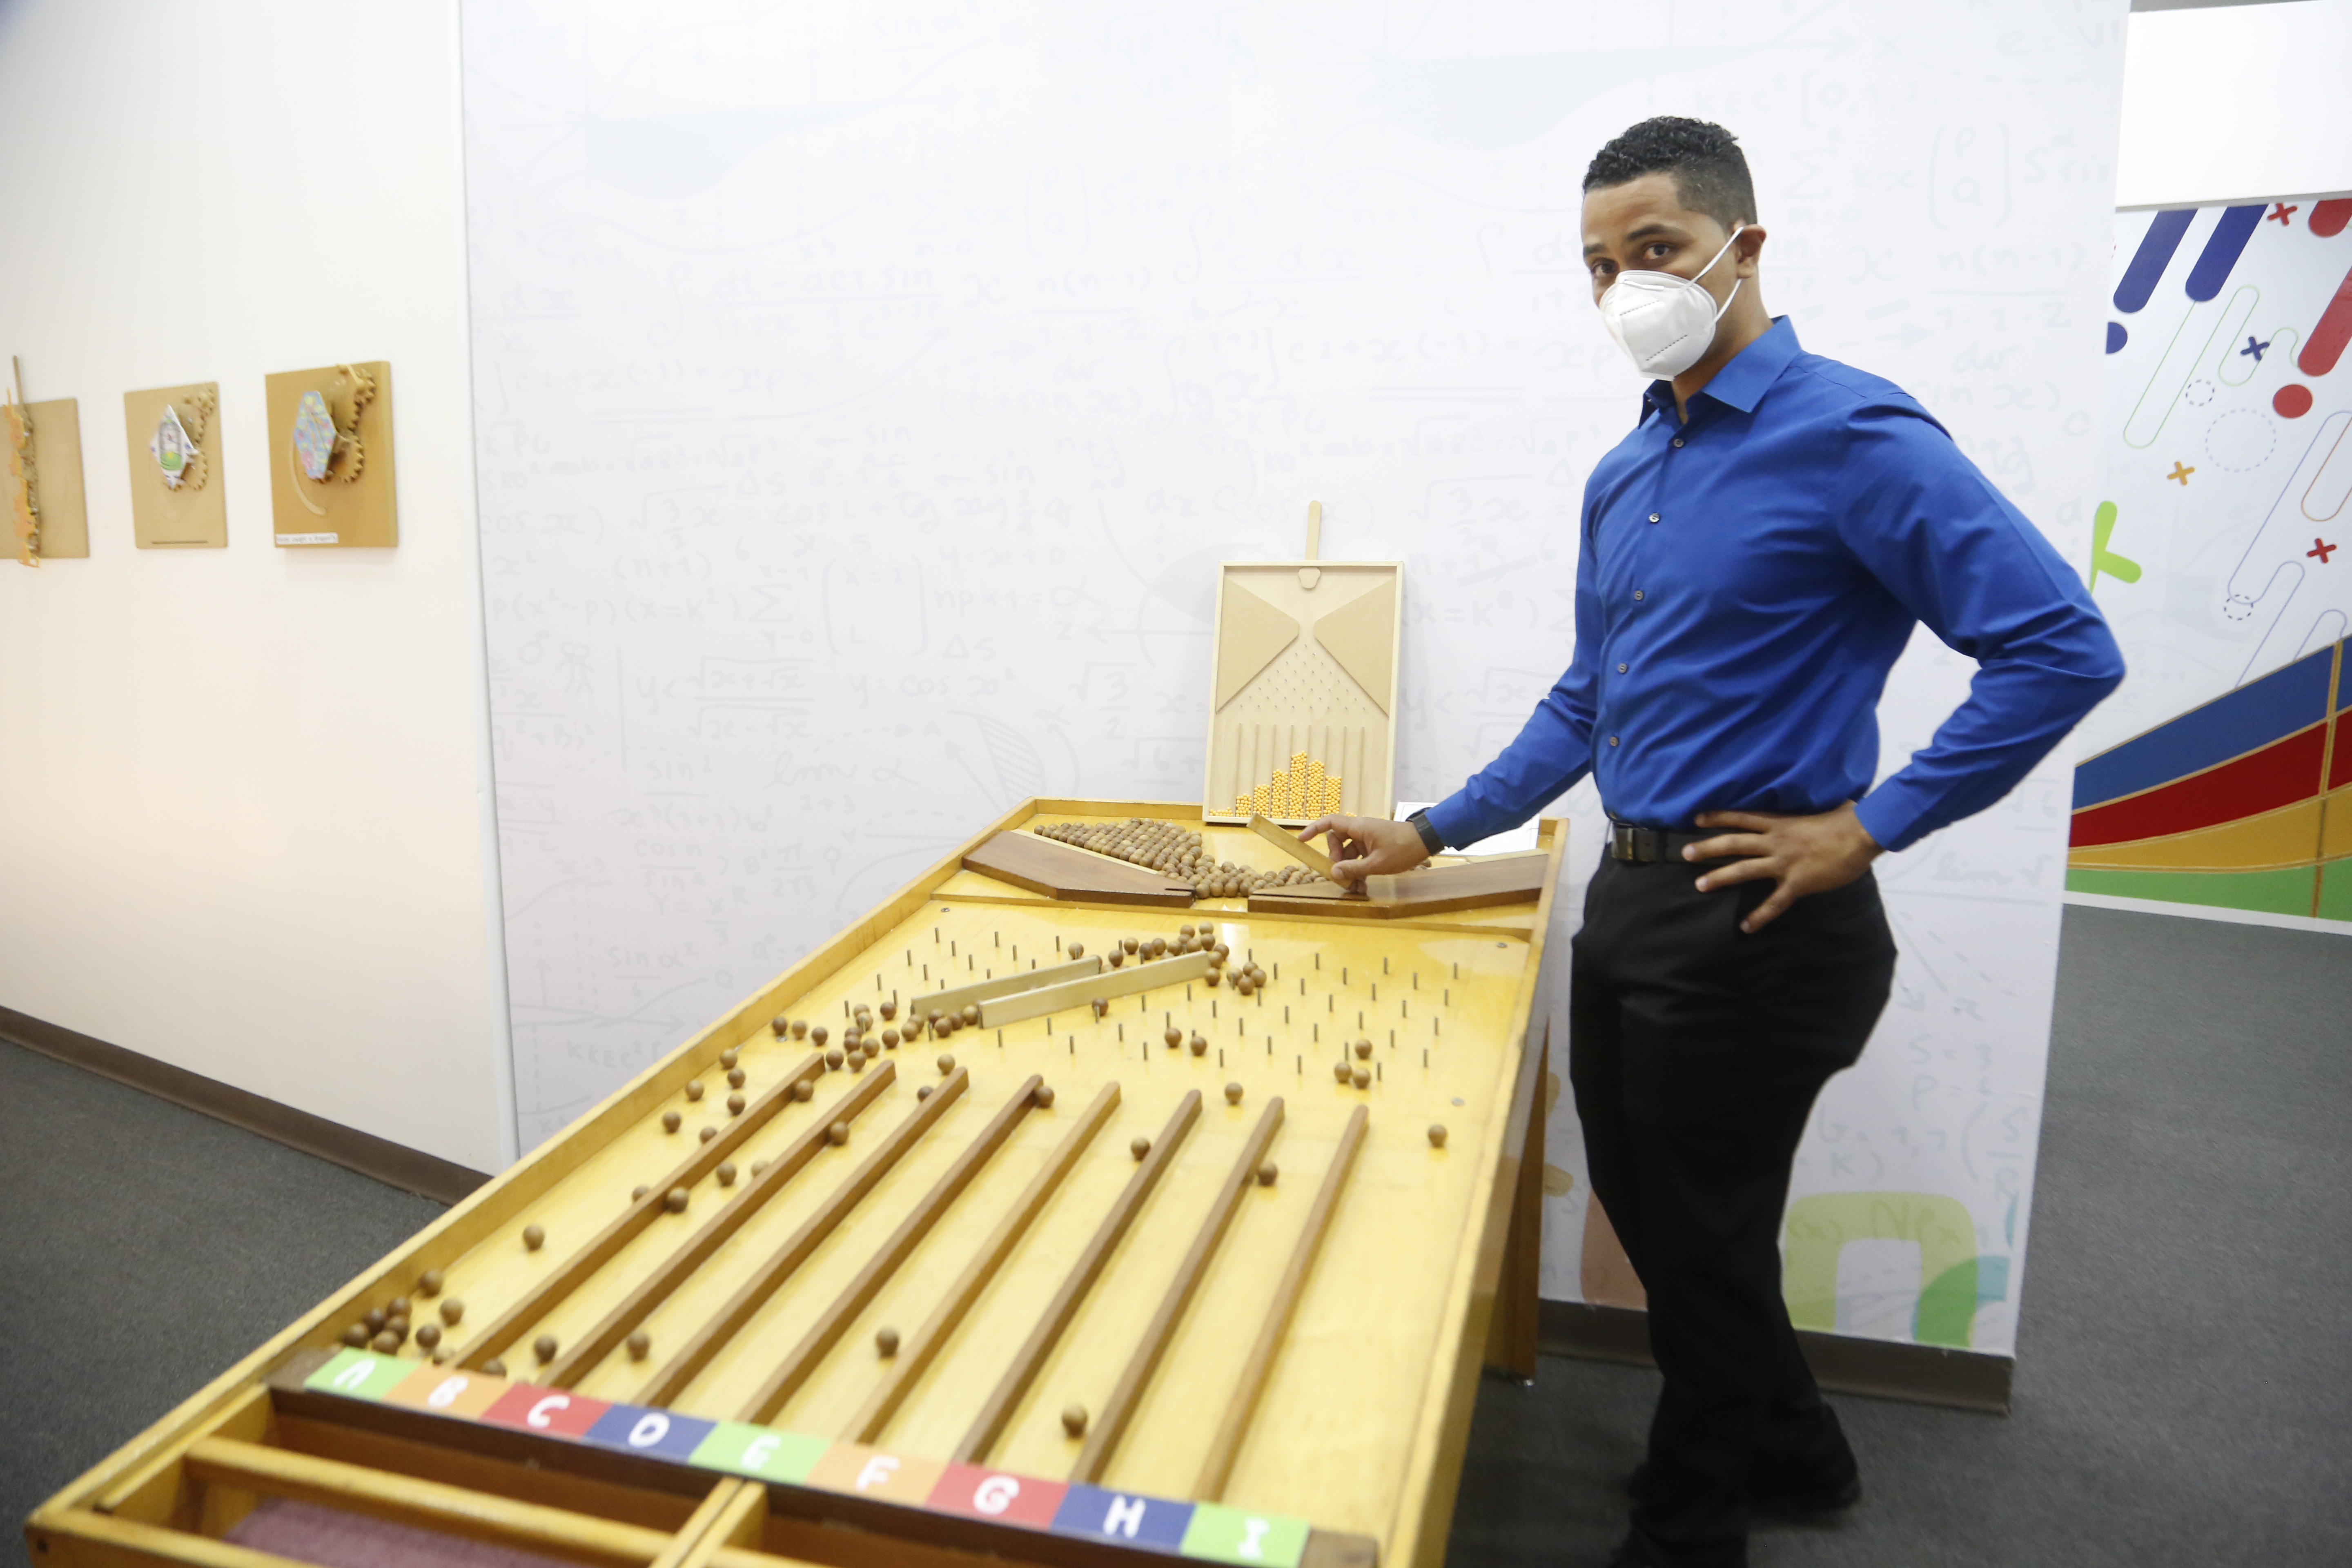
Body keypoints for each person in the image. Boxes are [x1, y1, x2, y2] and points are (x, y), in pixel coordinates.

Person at [1298, 117, 2124, 1568]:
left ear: (1743, 247)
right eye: (1598, 263)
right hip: (1630, 902)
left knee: (1703, 1237)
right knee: (1666, 1221)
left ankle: (1690, 1528)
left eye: (1655, 249)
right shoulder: (1628, 470)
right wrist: (1427, 830)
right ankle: (1801, 1450)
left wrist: (1874, 826)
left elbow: (2062, 647)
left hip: (1762, 917)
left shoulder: (1855, 437)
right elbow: (1587, 701)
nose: (1625, 285)